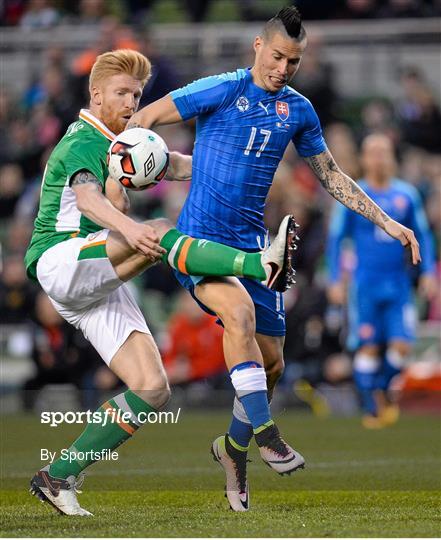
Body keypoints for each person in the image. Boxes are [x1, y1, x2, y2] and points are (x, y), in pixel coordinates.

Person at [127, 6, 421, 512]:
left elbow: (331, 176)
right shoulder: (221, 88)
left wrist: (387, 222)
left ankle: (232, 450)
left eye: (294, 61)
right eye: (278, 56)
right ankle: (266, 434)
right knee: (237, 315)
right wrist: (123, 176)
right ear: (257, 47)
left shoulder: (299, 110)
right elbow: (145, 118)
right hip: (200, 243)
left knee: (274, 364)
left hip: (256, 249)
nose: (283, 68)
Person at [25, 48, 297, 516]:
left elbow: (174, 164)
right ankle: (259, 264)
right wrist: (130, 228)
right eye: (121, 93)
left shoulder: (129, 141)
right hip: (61, 258)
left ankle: (59, 474)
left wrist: (235, 166)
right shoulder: (82, 141)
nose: (132, 102)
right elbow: (90, 201)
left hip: (98, 279)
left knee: (152, 386)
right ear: (96, 94)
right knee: (159, 235)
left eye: (137, 93)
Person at [326, 133, 436, 428]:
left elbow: (423, 234)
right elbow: (336, 238)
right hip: (365, 285)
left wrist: (428, 273)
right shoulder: (353, 194)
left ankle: (381, 392)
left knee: (401, 347)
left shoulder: (406, 195)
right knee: (369, 348)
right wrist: (336, 279)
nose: (378, 158)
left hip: (398, 284)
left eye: (383, 152)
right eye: (372, 152)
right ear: (363, 159)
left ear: (392, 158)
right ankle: (372, 408)